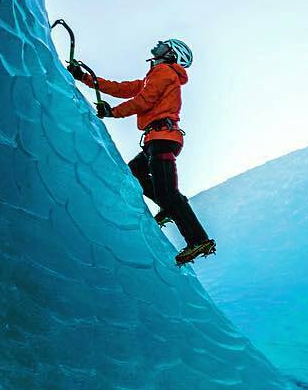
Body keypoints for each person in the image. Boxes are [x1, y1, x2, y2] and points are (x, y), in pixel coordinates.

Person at [69, 39, 216, 267]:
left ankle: (198, 240)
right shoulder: (155, 76)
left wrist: (113, 112)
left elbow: (144, 101)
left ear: (171, 53)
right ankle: (168, 206)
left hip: (162, 139)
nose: (159, 43)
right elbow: (121, 88)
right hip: (157, 140)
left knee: (167, 191)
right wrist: (84, 78)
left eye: (165, 43)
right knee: (135, 172)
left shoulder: (164, 72)